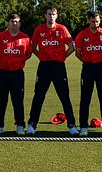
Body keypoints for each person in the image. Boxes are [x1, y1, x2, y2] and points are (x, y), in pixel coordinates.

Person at [27, 7, 79, 135]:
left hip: (58, 67)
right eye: (49, 14)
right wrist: (42, 57)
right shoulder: (39, 29)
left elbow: (71, 47)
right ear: (45, 15)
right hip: (44, 67)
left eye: (53, 14)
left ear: (57, 16)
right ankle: (32, 125)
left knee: (64, 96)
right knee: (38, 96)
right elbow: (33, 47)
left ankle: (71, 125)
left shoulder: (62, 29)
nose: (51, 16)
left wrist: (61, 58)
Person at [0, 14, 32, 135]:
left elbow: (28, 54)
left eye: (17, 22)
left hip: (17, 73)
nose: (14, 24)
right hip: (2, 73)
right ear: (8, 23)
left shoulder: (25, 38)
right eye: (12, 21)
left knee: (18, 100)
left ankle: (20, 125)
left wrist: (17, 61)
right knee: (0, 100)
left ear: (20, 24)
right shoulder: (0, 36)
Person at [74, 11, 102, 137]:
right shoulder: (82, 35)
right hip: (88, 68)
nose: (95, 24)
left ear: (99, 21)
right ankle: (83, 127)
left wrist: (98, 60)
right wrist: (88, 61)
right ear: (88, 21)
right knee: (85, 98)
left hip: (101, 67)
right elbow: (78, 53)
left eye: (97, 21)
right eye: (92, 21)